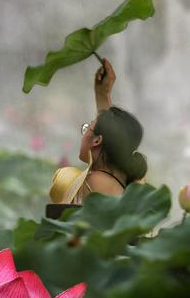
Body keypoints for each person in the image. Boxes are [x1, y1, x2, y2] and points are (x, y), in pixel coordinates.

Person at [50, 58, 147, 204]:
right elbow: (111, 132)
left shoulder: (91, 182)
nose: (83, 135)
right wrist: (103, 94)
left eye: (86, 129)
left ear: (97, 140)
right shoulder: (130, 183)